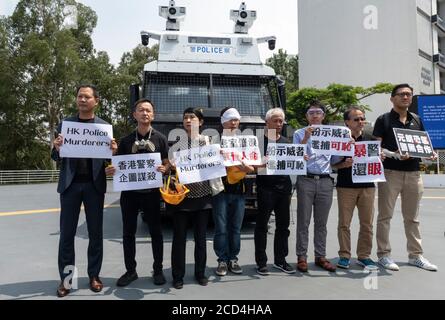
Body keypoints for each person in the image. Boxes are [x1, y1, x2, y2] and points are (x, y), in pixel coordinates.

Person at [52, 84, 117, 297]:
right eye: (79, 96)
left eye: (87, 97)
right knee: (67, 234)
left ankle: (94, 276)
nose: (82, 100)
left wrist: (113, 152)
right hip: (70, 186)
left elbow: (110, 161)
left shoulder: (104, 127)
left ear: (96, 101)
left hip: (94, 185)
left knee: (95, 233)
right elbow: (56, 157)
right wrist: (57, 147)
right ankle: (67, 279)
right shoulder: (65, 124)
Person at [373, 83, 438, 271]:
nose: (406, 97)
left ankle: (415, 255)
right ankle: (384, 255)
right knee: (385, 216)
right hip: (390, 173)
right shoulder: (383, 120)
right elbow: (376, 149)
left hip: (413, 174)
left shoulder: (417, 119)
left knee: (413, 217)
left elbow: (423, 145)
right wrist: (394, 154)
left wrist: (430, 154)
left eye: (409, 94)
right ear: (392, 98)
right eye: (401, 94)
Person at [105, 99, 170, 287]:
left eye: (148, 110)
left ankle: (158, 270)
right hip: (130, 195)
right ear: (134, 115)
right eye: (141, 110)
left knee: (156, 232)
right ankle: (130, 270)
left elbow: (167, 162)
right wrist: (111, 168)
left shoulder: (160, 138)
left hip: (151, 193)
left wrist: (165, 168)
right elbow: (117, 165)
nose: (145, 113)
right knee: (128, 232)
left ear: (153, 115)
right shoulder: (125, 141)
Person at [293, 101, 338, 273]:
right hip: (306, 179)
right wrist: (306, 137)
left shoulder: (331, 134)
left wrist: (347, 148)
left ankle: (320, 256)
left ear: (323, 116)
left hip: (326, 180)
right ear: (306, 116)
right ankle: (302, 257)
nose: (315, 115)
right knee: (303, 221)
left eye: (318, 112)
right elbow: (294, 155)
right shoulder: (299, 133)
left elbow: (335, 160)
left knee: (322, 222)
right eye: (311, 112)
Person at [169, 107, 212, 289]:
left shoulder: (207, 142)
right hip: (182, 198)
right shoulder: (177, 144)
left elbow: (214, 164)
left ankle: (200, 274)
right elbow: (171, 167)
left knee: (200, 239)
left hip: (203, 197)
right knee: (179, 239)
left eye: (192, 117)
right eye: (186, 117)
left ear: (200, 122)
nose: (188, 120)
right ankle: (177, 276)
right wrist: (170, 165)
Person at [332, 106, 379, 271]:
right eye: (356, 119)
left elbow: (377, 162)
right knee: (344, 223)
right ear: (347, 122)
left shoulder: (371, 139)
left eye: (362, 119)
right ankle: (344, 255)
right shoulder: (340, 140)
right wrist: (343, 164)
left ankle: (364, 256)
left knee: (367, 224)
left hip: (368, 187)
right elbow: (333, 163)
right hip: (346, 187)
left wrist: (381, 158)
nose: (360, 122)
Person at [213, 107, 254, 277]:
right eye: (230, 119)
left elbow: (252, 168)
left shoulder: (246, 142)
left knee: (236, 228)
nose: (234, 122)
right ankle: (222, 259)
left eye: (236, 119)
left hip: (239, 191)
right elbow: (208, 164)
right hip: (220, 190)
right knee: (221, 228)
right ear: (223, 121)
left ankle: (233, 259)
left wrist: (244, 167)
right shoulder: (213, 141)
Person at [254, 108, 295, 276]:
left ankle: (280, 260)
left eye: (281, 121)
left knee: (283, 226)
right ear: (267, 122)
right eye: (275, 121)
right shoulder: (258, 142)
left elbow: (293, 163)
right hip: (265, 188)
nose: (279, 124)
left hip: (284, 188)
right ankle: (261, 262)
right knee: (262, 226)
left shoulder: (287, 142)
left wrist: (300, 159)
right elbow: (252, 164)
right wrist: (261, 163)